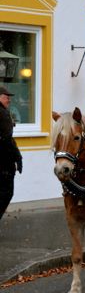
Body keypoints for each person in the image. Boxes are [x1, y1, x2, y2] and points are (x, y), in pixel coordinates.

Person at [0, 86, 22, 221]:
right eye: (6, 97)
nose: (9, 100)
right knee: (6, 193)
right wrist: (17, 158)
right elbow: (7, 139)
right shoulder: (2, 113)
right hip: (3, 163)